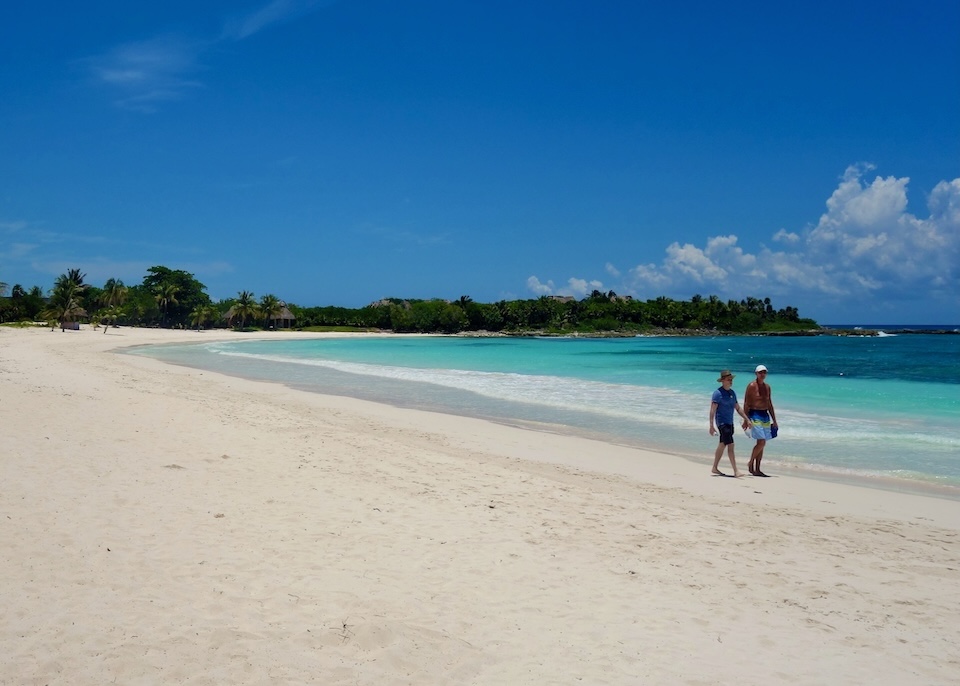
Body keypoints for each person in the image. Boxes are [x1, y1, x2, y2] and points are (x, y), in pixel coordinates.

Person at [709, 370, 750, 477]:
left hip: (730, 423)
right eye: (728, 379)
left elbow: (738, 408)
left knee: (722, 444)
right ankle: (736, 471)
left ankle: (714, 468)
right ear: (722, 380)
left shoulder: (732, 393)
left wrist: (747, 419)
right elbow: (712, 410)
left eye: (731, 379)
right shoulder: (717, 393)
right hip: (722, 423)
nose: (731, 381)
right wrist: (711, 426)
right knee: (731, 444)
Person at [743, 364, 778, 476]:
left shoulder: (767, 387)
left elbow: (770, 404)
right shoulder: (752, 386)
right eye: (760, 372)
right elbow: (746, 403)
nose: (762, 374)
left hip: (765, 415)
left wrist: (775, 420)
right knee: (762, 441)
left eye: (764, 372)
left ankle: (757, 468)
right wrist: (745, 419)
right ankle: (750, 462)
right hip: (754, 414)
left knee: (762, 443)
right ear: (756, 374)